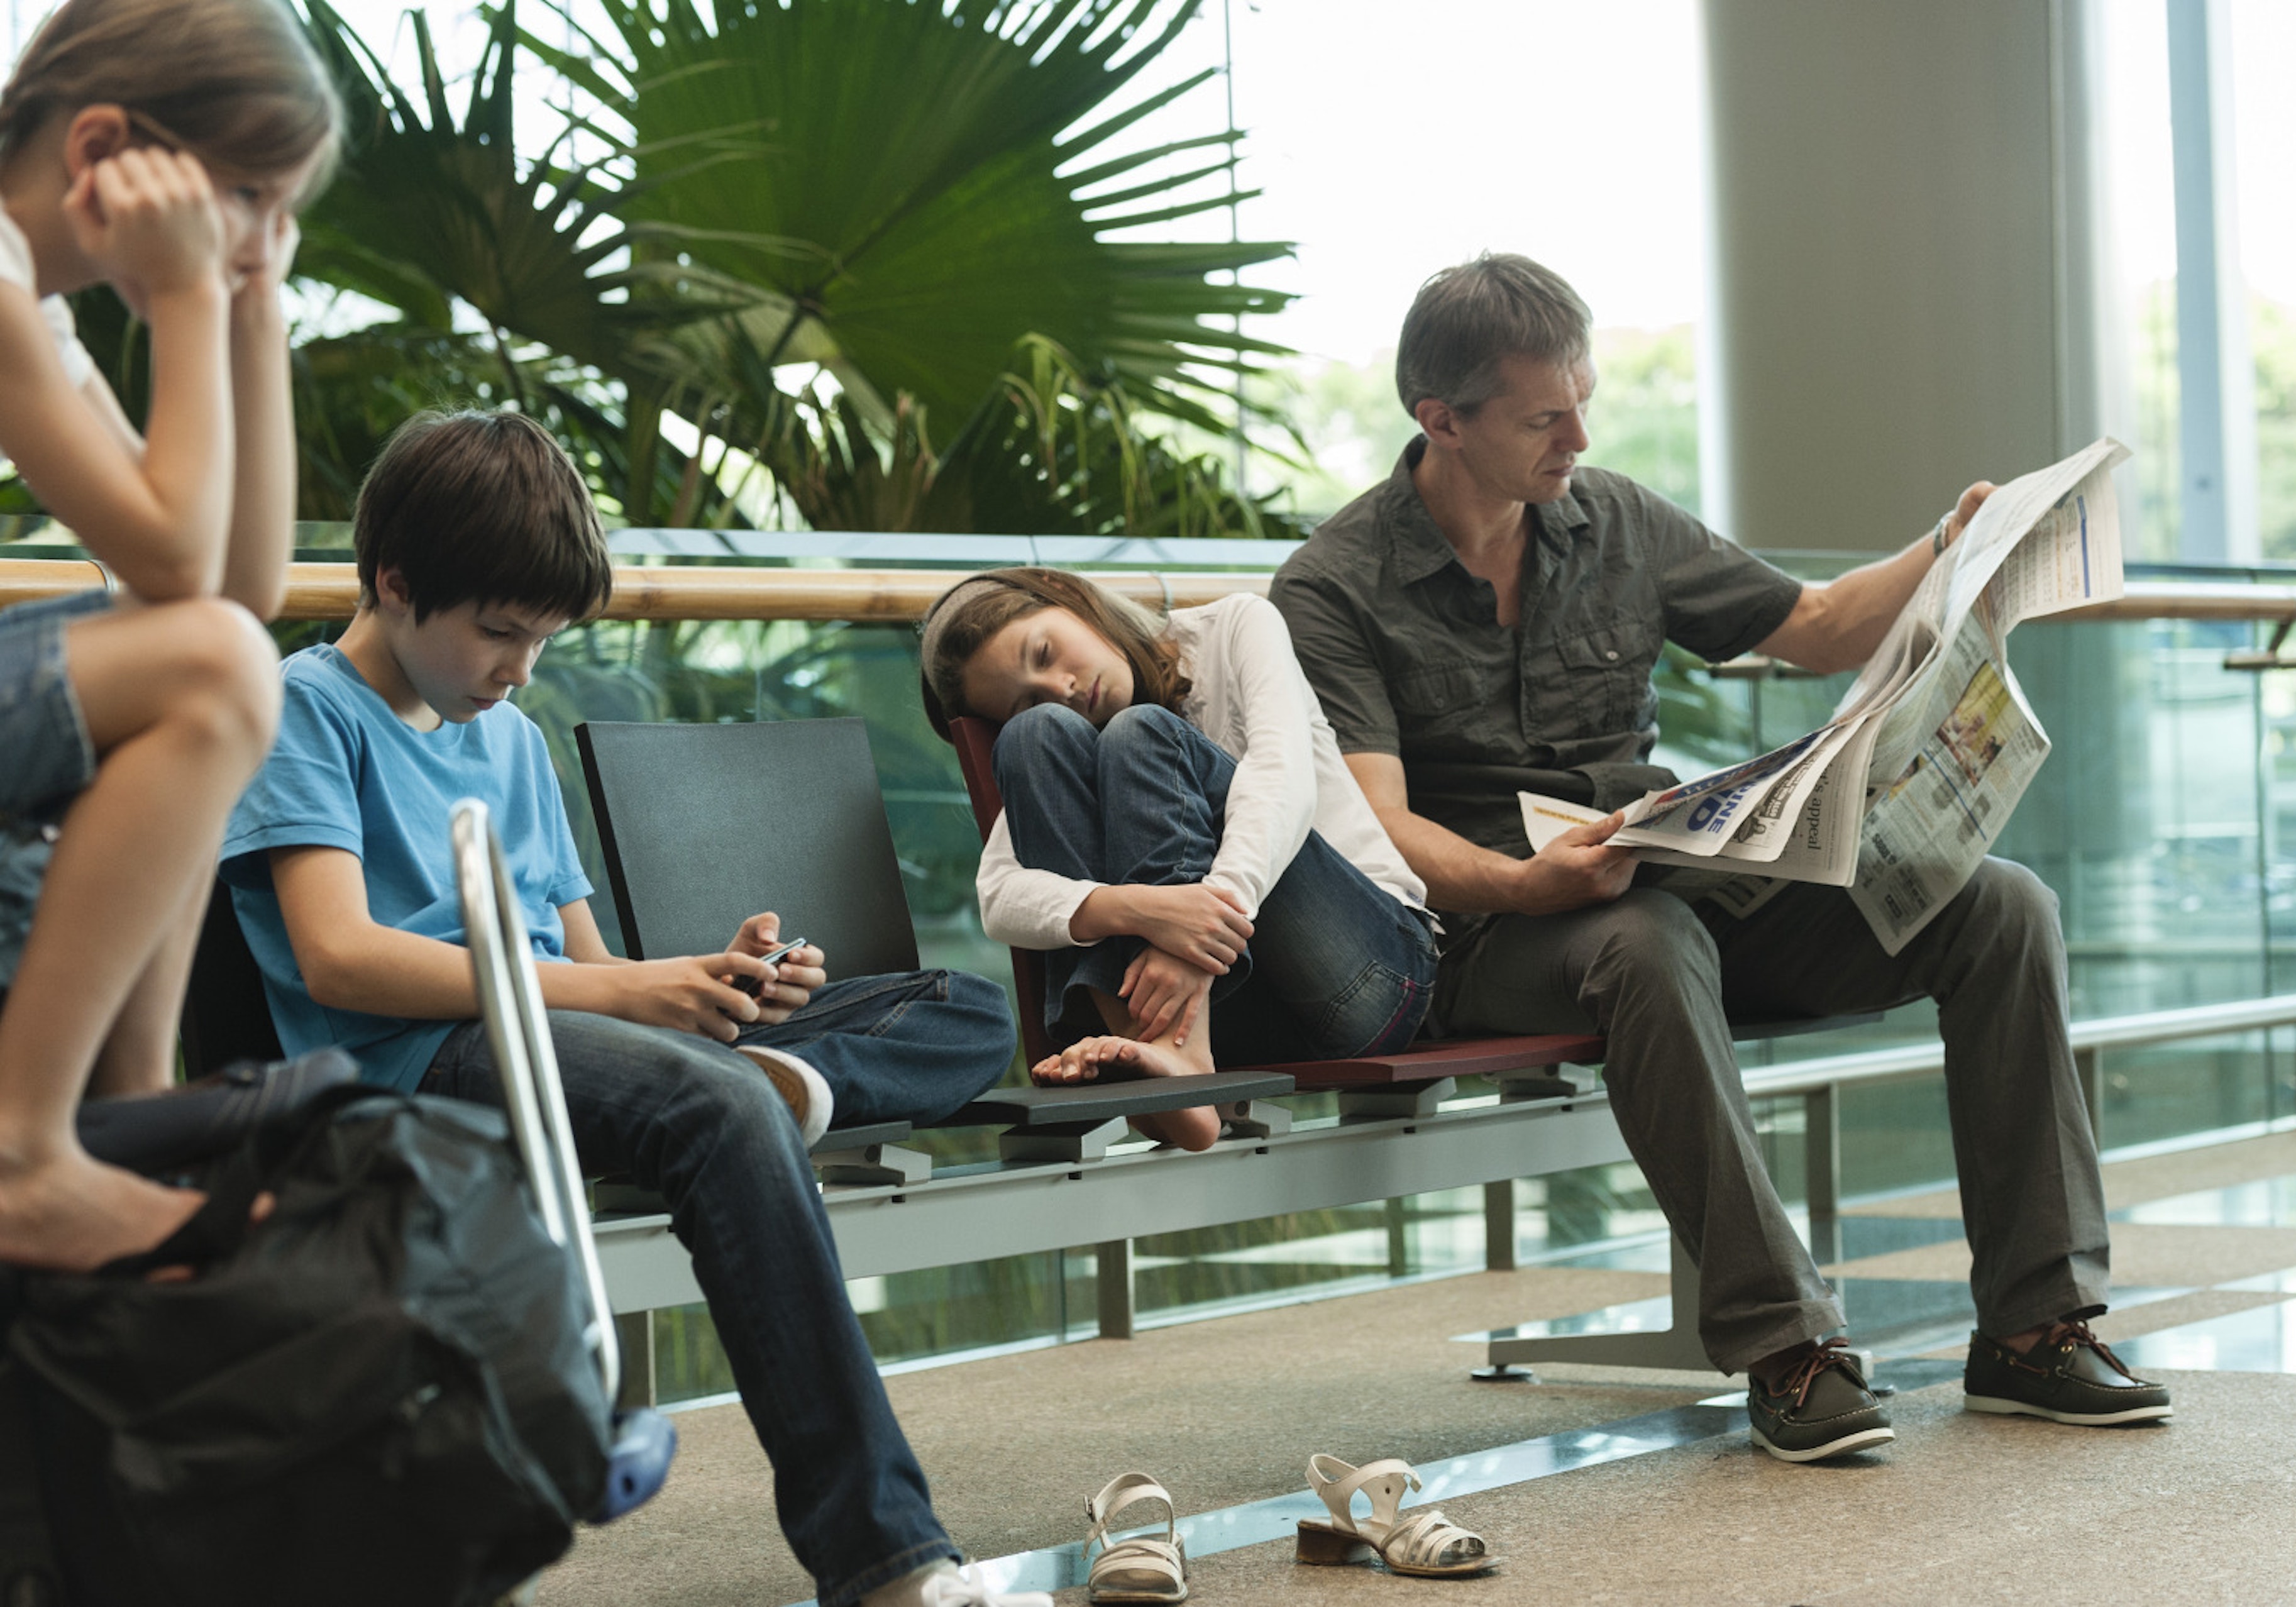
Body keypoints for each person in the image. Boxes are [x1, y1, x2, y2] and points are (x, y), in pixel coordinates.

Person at [1271, 253, 2170, 1462]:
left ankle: (2033, 1329)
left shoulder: (1620, 522)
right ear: (1442, 418)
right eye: (1546, 415)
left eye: (1583, 398)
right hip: (1497, 931)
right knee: (1647, 940)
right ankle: (1786, 1350)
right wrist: (1533, 883)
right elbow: (1381, 831)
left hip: (1670, 881)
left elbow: (1811, 628)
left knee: (1998, 905)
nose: (1578, 435)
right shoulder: (1332, 588)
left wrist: (1952, 547)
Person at [217, 409, 1035, 1607]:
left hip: (563, 1037)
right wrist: (632, 998)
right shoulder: (307, 711)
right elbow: (339, 958)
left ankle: (787, 1082)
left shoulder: (507, 740)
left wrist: (716, 981)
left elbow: (591, 959)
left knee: (961, 1003)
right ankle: (884, 1559)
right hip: (415, 1062)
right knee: (710, 1107)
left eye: (543, 639)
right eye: (501, 633)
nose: (520, 669)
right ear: (393, 584)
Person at [0, 0, 338, 1271]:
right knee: (205, 674)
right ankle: (23, 1151)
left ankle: (131, 1117)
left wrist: (252, 309)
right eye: (246, 197)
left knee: (209, 657)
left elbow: (236, 583)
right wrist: (192, 297)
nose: (257, 236)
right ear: (102, 150)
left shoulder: (31, 310)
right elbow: (176, 564)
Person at [919, 567, 1436, 1151]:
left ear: (1068, 598)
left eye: (1045, 651)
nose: (1060, 687)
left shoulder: (1237, 623)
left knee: (1139, 732)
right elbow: (1000, 899)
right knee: (1031, 738)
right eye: (1025, 697)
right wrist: (1144, 910)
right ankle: (1161, 1057)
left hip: (1369, 974)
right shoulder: (1058, 731)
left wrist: (1198, 934)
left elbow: (1283, 783)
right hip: (1233, 1024)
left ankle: (1171, 1058)